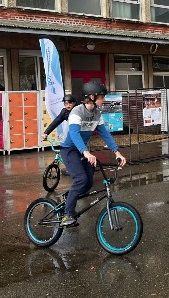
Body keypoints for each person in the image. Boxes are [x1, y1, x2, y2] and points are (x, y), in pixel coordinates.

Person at [59, 82, 126, 227]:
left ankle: (68, 197)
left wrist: (117, 152)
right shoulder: (76, 112)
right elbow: (74, 134)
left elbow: (105, 134)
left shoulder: (97, 114)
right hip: (69, 149)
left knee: (88, 182)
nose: (104, 100)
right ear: (91, 97)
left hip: (82, 149)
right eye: (101, 97)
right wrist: (87, 153)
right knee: (81, 179)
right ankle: (67, 214)